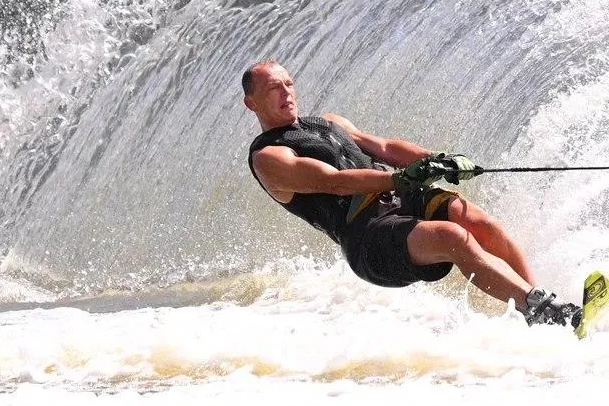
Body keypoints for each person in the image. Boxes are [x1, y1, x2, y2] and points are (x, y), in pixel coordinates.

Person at [242, 59, 581, 328]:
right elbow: (336, 181)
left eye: (288, 84)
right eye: (273, 88)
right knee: (453, 236)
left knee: (478, 221)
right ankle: (541, 311)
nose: (286, 92)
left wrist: (438, 161)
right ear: (251, 102)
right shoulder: (269, 157)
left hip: (400, 201)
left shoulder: (329, 122)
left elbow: (386, 148)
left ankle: (537, 306)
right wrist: (402, 180)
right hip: (367, 237)